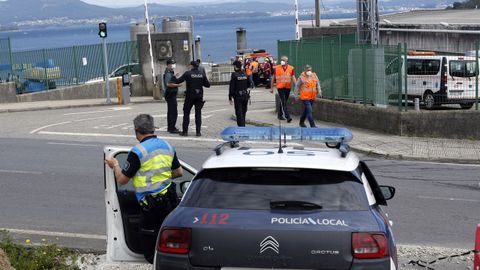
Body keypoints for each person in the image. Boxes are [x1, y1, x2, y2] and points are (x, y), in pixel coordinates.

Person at [104, 114, 183, 264]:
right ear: (153, 128)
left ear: (136, 130)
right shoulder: (167, 146)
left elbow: (122, 180)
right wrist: (161, 176)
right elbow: (179, 172)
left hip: (151, 206)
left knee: (150, 249)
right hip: (169, 201)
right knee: (168, 240)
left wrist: (114, 165)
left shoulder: (137, 151)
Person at [175, 60, 210, 137]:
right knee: (198, 114)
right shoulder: (202, 74)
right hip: (199, 96)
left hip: (190, 96)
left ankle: (185, 132)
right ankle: (198, 132)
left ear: (191, 66)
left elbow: (178, 81)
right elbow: (208, 85)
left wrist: (174, 77)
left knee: (186, 113)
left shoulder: (188, 73)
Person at [270, 55, 296, 122]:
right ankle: (288, 117)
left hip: (287, 88)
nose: (282, 61)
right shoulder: (277, 68)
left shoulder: (291, 68)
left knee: (283, 102)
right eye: (281, 60)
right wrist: (271, 88)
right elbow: (273, 78)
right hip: (280, 88)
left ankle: (279, 115)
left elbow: (293, 77)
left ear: (287, 62)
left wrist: (296, 86)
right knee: (284, 102)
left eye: (284, 60)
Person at [163, 59, 182, 133]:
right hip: (170, 94)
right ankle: (171, 128)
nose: (173, 65)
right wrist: (178, 85)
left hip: (171, 94)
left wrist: (174, 76)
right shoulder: (168, 73)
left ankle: (171, 127)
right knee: (173, 112)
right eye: (172, 64)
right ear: (168, 65)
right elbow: (168, 84)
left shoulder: (171, 72)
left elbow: (171, 80)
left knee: (171, 111)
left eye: (174, 63)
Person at [229, 60, 250, 127]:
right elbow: (249, 84)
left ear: (235, 66)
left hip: (238, 96)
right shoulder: (245, 74)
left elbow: (231, 87)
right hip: (245, 95)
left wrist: (230, 97)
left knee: (239, 113)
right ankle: (243, 126)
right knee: (243, 112)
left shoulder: (234, 74)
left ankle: (241, 129)